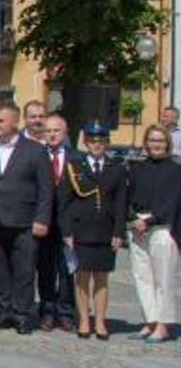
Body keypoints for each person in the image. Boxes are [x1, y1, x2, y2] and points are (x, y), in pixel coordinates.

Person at [0, 101, 52, 334]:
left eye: (0, 120)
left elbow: (46, 189)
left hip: (25, 221)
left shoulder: (35, 150)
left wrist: (42, 219)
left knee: (24, 271)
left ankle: (22, 314)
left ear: (14, 122)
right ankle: (3, 312)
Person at [59, 122, 126, 339]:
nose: (97, 145)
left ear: (107, 143)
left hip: (106, 230)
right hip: (81, 229)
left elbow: (121, 203)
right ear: (86, 143)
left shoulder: (117, 168)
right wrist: (67, 231)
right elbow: (65, 202)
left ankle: (100, 321)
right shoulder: (74, 166)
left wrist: (119, 232)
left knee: (102, 278)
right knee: (82, 276)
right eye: (92, 141)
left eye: (101, 141)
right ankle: (84, 320)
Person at [129, 125, 181, 342]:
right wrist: (133, 218)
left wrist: (149, 221)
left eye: (160, 140)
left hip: (163, 228)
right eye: (152, 140)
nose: (156, 144)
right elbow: (129, 196)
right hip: (138, 226)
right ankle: (150, 321)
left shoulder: (176, 170)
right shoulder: (137, 168)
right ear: (146, 143)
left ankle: (163, 324)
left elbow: (173, 203)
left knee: (163, 279)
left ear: (167, 143)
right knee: (142, 277)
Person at [33, 114, 75, 330]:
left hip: (68, 224)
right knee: (46, 270)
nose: (52, 134)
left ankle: (66, 312)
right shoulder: (37, 155)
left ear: (65, 133)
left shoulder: (76, 158)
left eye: (56, 130)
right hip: (45, 223)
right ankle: (47, 311)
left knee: (68, 270)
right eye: (48, 131)